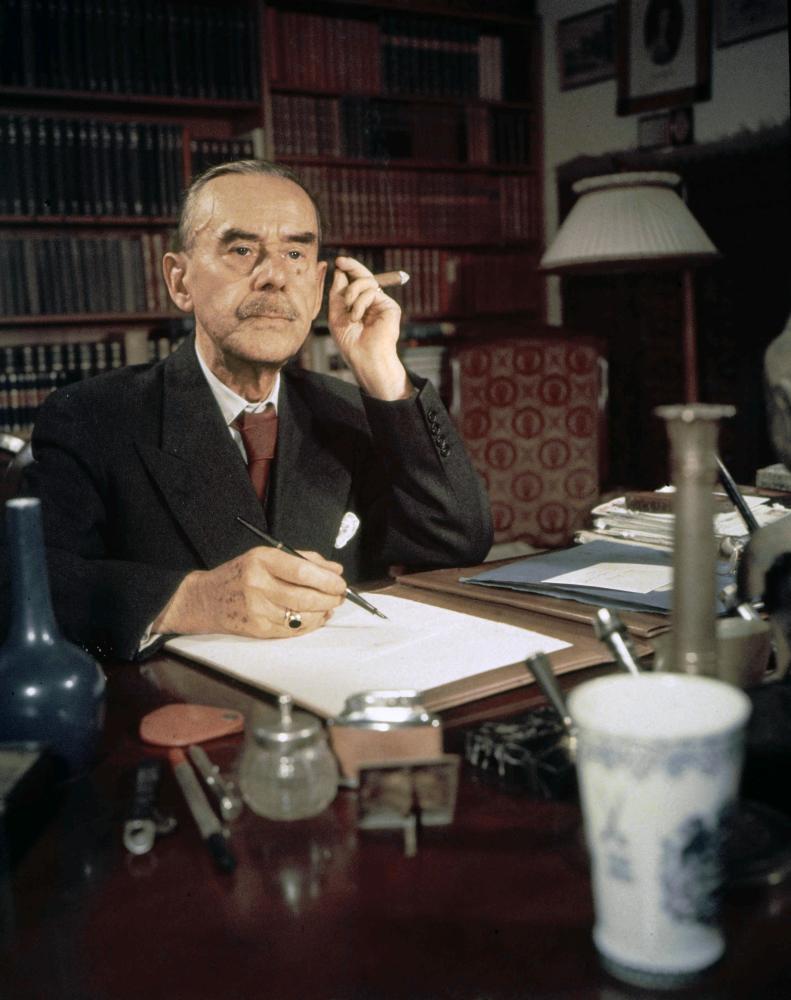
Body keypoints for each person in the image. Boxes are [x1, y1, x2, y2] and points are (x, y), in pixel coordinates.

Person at [1, 161, 492, 660]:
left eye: (296, 253)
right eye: (241, 250)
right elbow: (26, 581)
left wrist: (384, 372)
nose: (275, 277)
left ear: (319, 285)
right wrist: (191, 600)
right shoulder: (92, 415)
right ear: (180, 281)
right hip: (189, 714)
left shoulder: (351, 409)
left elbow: (457, 543)